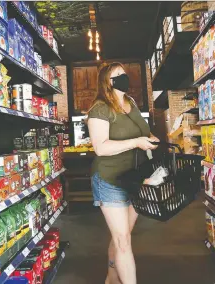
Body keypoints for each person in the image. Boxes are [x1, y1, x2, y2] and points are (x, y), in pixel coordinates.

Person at [87, 62, 159, 284]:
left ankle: (111, 275)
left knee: (122, 236)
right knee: (123, 240)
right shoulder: (100, 109)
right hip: (110, 179)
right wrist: (137, 142)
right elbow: (101, 147)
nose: (123, 77)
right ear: (106, 83)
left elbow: (142, 132)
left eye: (123, 74)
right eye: (116, 75)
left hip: (133, 177)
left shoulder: (131, 103)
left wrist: (151, 139)